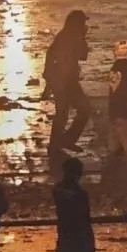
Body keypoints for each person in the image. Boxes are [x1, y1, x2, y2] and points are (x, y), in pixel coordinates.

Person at [44, 10, 90, 158]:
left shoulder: (74, 37)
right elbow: (57, 61)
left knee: (83, 110)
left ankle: (65, 141)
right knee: (63, 113)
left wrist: (82, 38)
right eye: (82, 22)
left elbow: (83, 56)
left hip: (69, 80)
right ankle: (56, 145)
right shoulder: (64, 38)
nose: (85, 25)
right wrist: (53, 84)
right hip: (62, 81)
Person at [54, 158, 96, 252]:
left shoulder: (58, 190)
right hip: (79, 244)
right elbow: (85, 221)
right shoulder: (80, 195)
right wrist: (91, 244)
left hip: (64, 243)